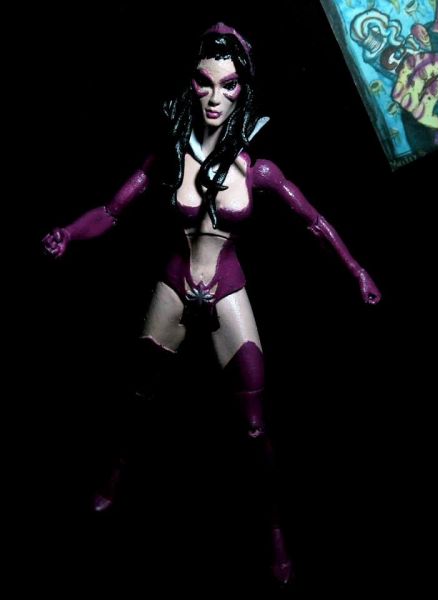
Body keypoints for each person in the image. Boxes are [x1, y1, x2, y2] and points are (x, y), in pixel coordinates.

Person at [43, 22, 381, 585]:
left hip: (227, 288)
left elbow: (314, 222)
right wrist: (69, 234)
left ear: (243, 90)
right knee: (138, 393)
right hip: (175, 283)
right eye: (205, 83)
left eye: (228, 86)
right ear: (191, 84)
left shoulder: (259, 171)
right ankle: (115, 476)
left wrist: (357, 269)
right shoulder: (168, 159)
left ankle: (274, 528)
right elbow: (111, 210)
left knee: (254, 426)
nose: (215, 97)